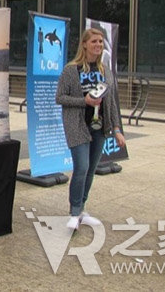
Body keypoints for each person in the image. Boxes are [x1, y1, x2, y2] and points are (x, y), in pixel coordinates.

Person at [55, 28, 126, 230]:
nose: (98, 45)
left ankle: (82, 209)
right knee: (81, 168)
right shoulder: (71, 70)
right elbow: (59, 97)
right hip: (78, 126)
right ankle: (74, 212)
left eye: (101, 42)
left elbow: (111, 102)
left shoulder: (105, 71)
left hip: (99, 128)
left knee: (91, 171)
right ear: (84, 44)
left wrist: (117, 128)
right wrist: (83, 101)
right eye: (94, 41)